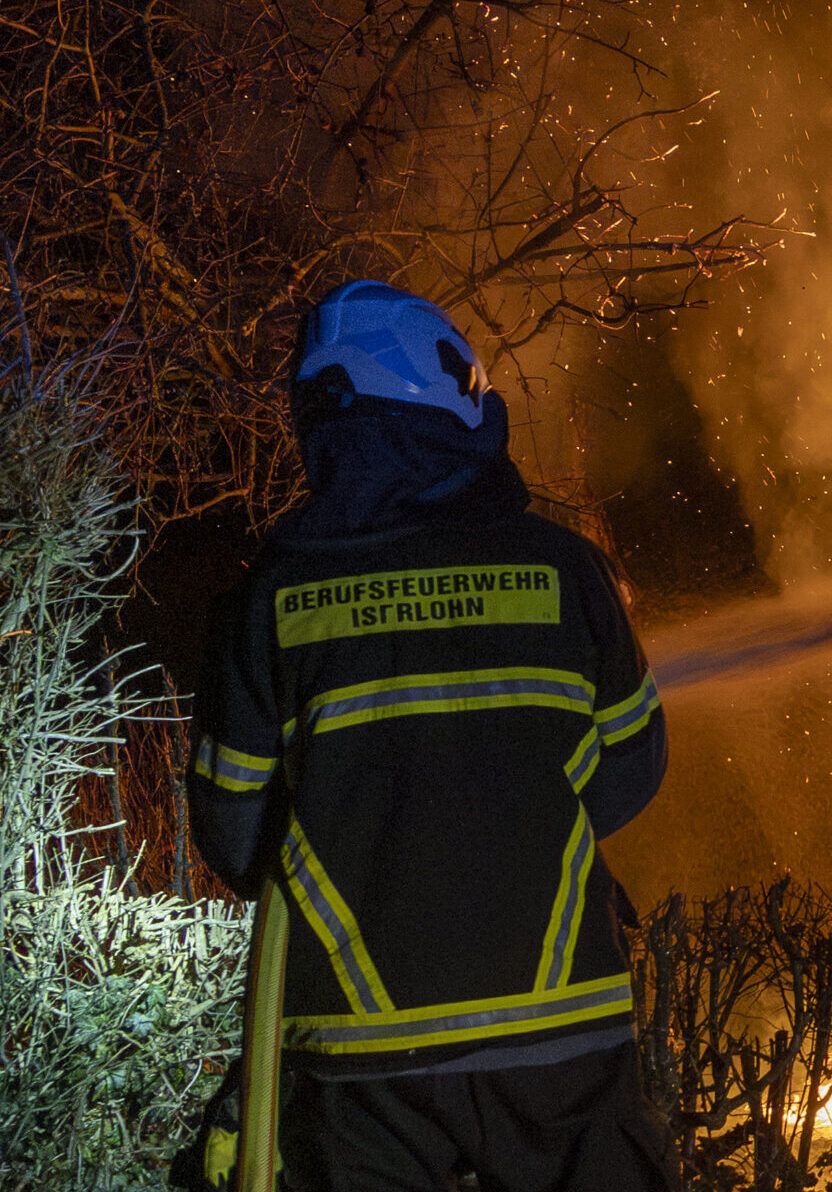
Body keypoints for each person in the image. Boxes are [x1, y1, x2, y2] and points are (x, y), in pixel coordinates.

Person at [187, 280, 675, 1191]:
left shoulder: (270, 602)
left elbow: (234, 833)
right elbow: (632, 772)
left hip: (364, 1049)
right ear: (452, 394)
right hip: (563, 1025)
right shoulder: (562, 570)